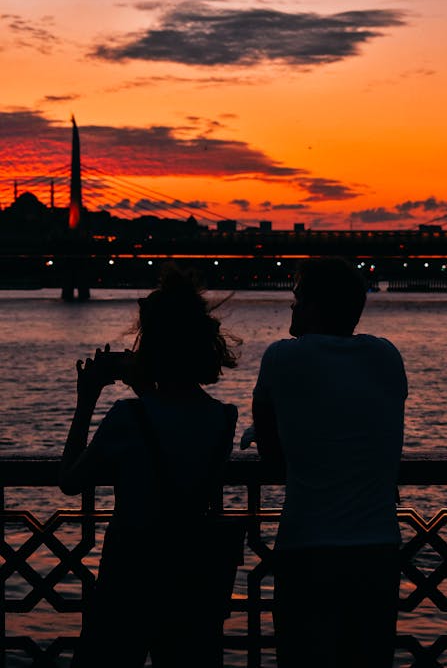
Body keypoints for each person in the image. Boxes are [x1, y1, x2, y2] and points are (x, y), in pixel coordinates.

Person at [59, 263, 241, 668]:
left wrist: (87, 398)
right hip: (192, 579)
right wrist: (144, 386)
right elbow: (172, 436)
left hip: (130, 575)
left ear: (151, 346)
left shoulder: (127, 417)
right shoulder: (223, 418)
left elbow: (70, 479)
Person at [252, 256, 407, 668]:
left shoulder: (281, 358)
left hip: (308, 548)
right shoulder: (387, 356)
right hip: (378, 549)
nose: (293, 308)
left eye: (299, 300)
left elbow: (270, 453)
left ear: (317, 307)